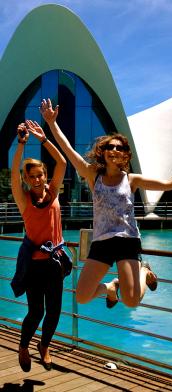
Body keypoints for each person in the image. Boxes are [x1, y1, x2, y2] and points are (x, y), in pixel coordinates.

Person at [39, 98, 172, 311]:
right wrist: (52, 123)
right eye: (109, 146)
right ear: (103, 151)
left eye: (119, 147)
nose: (114, 150)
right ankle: (110, 288)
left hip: (127, 241)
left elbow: (168, 184)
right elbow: (69, 150)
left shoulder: (132, 180)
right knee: (81, 296)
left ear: (125, 153)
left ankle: (144, 271)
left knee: (131, 301)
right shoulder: (93, 175)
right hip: (101, 242)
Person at [11, 120, 67, 372]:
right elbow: (13, 174)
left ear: (45, 175)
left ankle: (44, 346)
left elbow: (63, 163)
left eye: (40, 174)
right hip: (34, 265)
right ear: (26, 178)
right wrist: (22, 144)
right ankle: (23, 346)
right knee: (36, 312)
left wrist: (44, 139)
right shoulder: (24, 200)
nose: (37, 179)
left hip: (55, 263)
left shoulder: (53, 192)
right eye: (31, 176)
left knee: (54, 311)